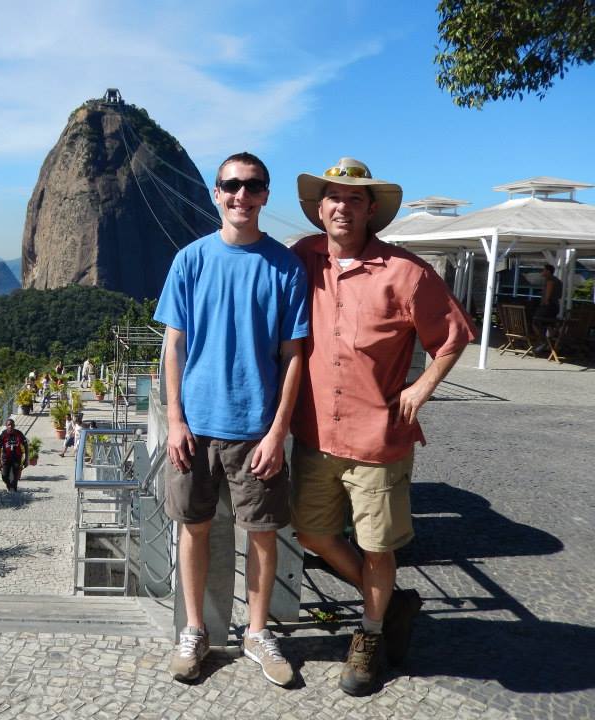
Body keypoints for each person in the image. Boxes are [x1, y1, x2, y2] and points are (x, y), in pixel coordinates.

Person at [291, 158, 476, 696]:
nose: (342, 207)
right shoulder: (304, 257)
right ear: (320, 209)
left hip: (379, 438)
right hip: (316, 434)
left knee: (377, 546)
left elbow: (453, 336)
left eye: (353, 199)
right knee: (312, 533)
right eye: (333, 198)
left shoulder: (406, 272)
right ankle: (392, 602)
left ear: (371, 210)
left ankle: (370, 633)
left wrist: (423, 387)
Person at [155, 152, 309, 686]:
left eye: (252, 186)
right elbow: (173, 346)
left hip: (256, 432)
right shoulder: (190, 260)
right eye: (231, 186)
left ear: (265, 195)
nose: (241, 195)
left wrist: (278, 431)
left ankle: (258, 633)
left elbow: (294, 356)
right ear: (217, 194)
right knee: (194, 529)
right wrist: (175, 420)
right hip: (195, 428)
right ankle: (195, 631)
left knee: (263, 534)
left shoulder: (286, 267)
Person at [532, 263, 563, 349]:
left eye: (544, 270)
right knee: (549, 324)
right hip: (555, 306)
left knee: (535, 322)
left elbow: (547, 296)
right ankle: (552, 343)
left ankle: (543, 342)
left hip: (548, 307)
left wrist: (544, 302)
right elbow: (559, 296)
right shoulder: (558, 281)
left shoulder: (550, 280)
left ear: (548, 271)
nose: (542, 272)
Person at [0, 418, 28, 492]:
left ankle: (14, 492)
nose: (10, 426)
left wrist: (26, 459)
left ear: (14, 425)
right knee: (4, 476)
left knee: (15, 476)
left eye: (12, 425)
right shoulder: (3, 434)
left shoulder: (19, 433)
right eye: (8, 425)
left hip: (16, 457)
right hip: (6, 458)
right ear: (6, 426)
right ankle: (10, 486)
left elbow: (26, 445)